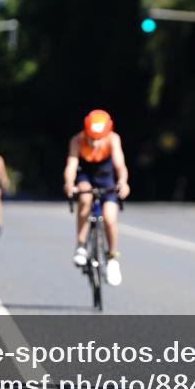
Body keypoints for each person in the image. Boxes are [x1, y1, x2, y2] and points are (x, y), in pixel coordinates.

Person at [63, 109, 130, 286]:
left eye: (99, 138)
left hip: (106, 176)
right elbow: (71, 165)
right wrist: (69, 184)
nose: (94, 142)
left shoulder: (113, 139)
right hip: (86, 175)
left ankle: (112, 258)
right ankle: (80, 246)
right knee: (84, 198)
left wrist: (123, 182)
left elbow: (120, 166)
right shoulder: (77, 140)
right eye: (91, 137)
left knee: (109, 218)